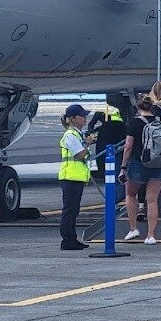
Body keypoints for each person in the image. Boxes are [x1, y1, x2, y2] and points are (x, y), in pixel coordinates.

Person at [122, 96, 161, 244]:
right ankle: (151, 235)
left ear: (138, 108)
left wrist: (123, 166)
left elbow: (128, 146)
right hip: (159, 164)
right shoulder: (160, 121)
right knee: (152, 200)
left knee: (131, 195)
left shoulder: (134, 123)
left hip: (139, 164)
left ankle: (133, 229)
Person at [57, 104, 94, 251]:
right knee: (70, 211)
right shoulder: (70, 135)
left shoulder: (76, 134)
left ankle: (71, 238)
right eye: (82, 116)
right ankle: (67, 240)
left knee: (73, 210)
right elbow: (80, 154)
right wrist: (88, 144)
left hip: (75, 177)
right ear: (73, 119)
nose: (85, 119)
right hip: (70, 177)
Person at [88, 98, 126, 180]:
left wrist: (92, 134)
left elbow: (91, 125)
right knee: (118, 150)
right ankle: (117, 168)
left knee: (103, 150)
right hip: (118, 133)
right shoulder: (118, 112)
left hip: (106, 134)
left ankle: (103, 169)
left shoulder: (101, 113)